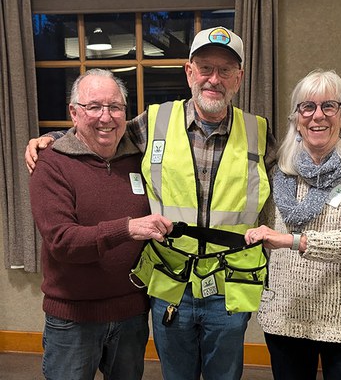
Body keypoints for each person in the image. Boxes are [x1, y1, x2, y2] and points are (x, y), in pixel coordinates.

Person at [26, 27, 276, 380]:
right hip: (171, 284)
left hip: (229, 287)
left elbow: (298, 174)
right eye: (205, 68)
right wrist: (50, 140)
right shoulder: (153, 123)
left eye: (225, 70)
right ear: (189, 72)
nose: (213, 79)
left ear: (240, 77)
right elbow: (98, 131)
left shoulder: (261, 133)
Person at [244, 69, 341, 380]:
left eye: (329, 106)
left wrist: (291, 241)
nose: (317, 116)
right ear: (296, 117)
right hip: (286, 315)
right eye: (307, 107)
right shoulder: (278, 173)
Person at [29, 68, 173, 380]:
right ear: (74, 112)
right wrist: (128, 228)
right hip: (72, 318)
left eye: (115, 107)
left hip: (132, 314)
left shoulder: (140, 157)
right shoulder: (51, 163)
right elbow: (62, 242)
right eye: (94, 107)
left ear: (126, 113)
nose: (105, 117)